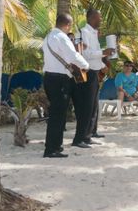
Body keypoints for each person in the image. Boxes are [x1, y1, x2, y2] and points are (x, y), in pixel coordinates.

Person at [42, 13, 89, 158]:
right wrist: (85, 65)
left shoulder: (48, 37)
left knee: (56, 114)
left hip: (49, 77)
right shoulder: (62, 37)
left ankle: (56, 145)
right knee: (58, 115)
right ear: (68, 25)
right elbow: (73, 56)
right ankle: (51, 149)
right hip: (59, 80)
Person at [80, 9, 115, 141]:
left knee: (95, 104)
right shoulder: (85, 32)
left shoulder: (94, 34)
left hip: (95, 72)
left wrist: (103, 65)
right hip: (88, 73)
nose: (101, 20)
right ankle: (86, 134)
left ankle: (92, 131)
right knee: (89, 105)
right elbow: (86, 54)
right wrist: (103, 52)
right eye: (99, 17)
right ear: (91, 18)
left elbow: (96, 55)